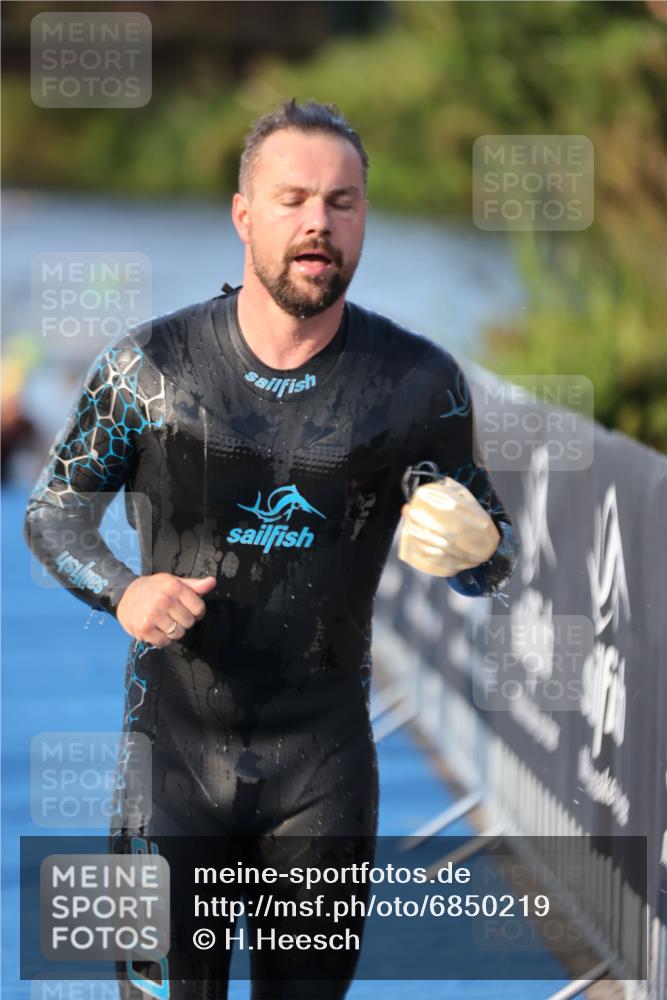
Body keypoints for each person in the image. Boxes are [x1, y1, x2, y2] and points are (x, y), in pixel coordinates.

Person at [23, 99, 519, 999]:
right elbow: (53, 514)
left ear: (362, 216)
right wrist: (124, 592)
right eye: (292, 199)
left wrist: (482, 547)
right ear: (243, 214)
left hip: (320, 775)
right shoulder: (149, 368)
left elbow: (492, 563)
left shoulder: (415, 386)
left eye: (341, 202)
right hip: (164, 768)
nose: (317, 224)